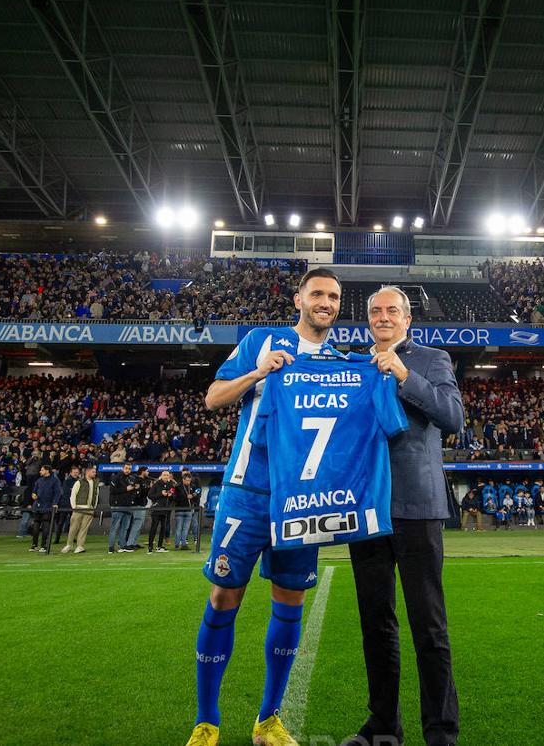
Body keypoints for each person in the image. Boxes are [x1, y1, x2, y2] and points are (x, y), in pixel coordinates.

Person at [185, 268, 342, 746]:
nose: (326, 302)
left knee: (290, 601)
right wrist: (258, 372)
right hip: (247, 491)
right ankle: (207, 721)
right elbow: (213, 398)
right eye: (317, 293)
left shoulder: (339, 361)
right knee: (223, 597)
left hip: (301, 501)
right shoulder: (262, 339)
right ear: (299, 299)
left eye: (334, 297)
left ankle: (268, 719)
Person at [342, 285, 463, 746]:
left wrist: (404, 374)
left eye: (392, 310)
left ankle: (440, 732)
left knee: (428, 626)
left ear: (408, 319)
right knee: (376, 624)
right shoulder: (352, 364)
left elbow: (453, 417)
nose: (384, 316)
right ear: (368, 319)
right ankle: (383, 726)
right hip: (367, 507)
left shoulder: (432, 359)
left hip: (417, 505)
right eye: (376, 310)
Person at [63, 465, 100, 554]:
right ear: (87, 472)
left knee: (84, 529)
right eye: (93, 472)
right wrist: (74, 507)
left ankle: (80, 546)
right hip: (79, 508)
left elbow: (96, 495)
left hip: (89, 509)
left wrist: (93, 507)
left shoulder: (95, 483)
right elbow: (73, 495)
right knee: (73, 528)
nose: (95, 473)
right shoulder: (79, 482)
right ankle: (69, 544)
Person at [29, 465, 62, 553]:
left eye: (42, 470)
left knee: (46, 526)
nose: (40, 471)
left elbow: (58, 493)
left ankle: (44, 545)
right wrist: (34, 495)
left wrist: (55, 503)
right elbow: (34, 491)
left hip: (48, 506)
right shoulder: (39, 481)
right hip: (38, 506)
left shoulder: (55, 481)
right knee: (36, 525)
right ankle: (34, 544)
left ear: (47, 471)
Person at [108, 463, 138, 553]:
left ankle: (122, 546)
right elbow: (112, 491)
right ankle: (111, 547)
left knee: (124, 527)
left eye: (129, 469)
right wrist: (126, 489)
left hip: (127, 505)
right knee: (115, 527)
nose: (128, 470)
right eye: (126, 468)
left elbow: (131, 491)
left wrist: (135, 489)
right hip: (118, 505)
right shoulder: (116, 477)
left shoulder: (131, 478)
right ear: (123, 468)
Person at [148, 470, 174, 553]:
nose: (166, 476)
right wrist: (160, 494)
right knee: (154, 527)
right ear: (161, 476)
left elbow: (174, 495)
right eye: (164, 475)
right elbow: (150, 495)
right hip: (156, 509)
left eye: (167, 475)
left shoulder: (170, 485)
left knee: (163, 528)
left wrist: (171, 495)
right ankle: (150, 546)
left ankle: (160, 546)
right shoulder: (156, 484)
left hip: (166, 509)